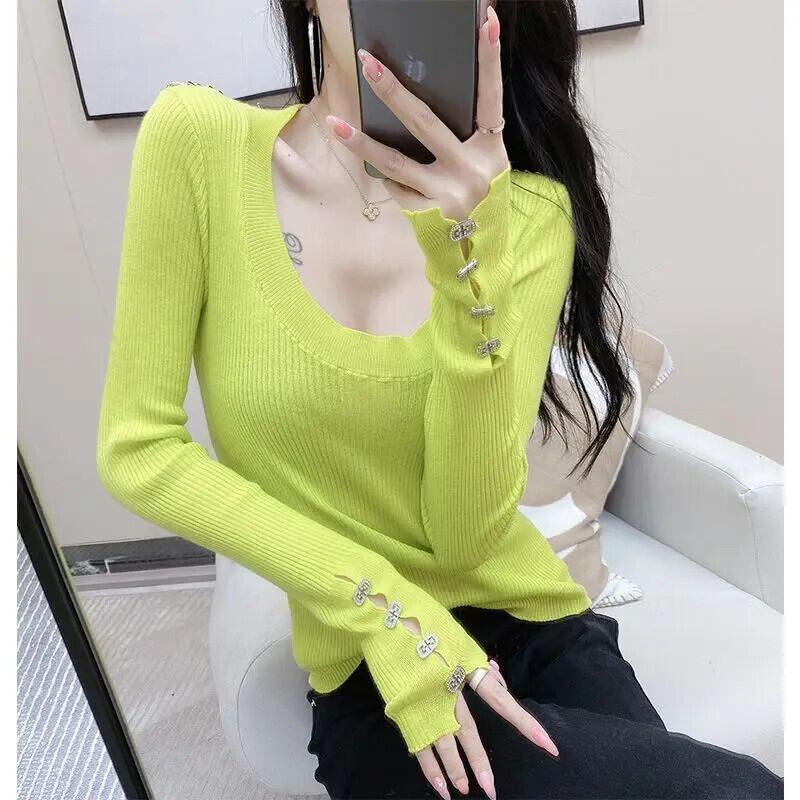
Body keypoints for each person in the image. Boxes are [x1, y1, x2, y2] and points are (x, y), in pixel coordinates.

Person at [96, 0, 784, 797]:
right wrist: (384, 610)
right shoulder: (199, 145)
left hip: (535, 629)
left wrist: (466, 260)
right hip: (368, 663)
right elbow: (139, 449)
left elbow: (462, 537)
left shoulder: (527, 216)